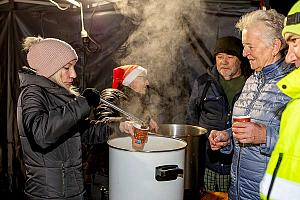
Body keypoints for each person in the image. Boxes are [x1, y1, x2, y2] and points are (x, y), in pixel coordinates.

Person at [16, 36, 134, 200]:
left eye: (74, 67)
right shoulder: (33, 93)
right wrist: (83, 103)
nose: (74, 74)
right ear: (50, 69)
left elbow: (83, 132)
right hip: (49, 195)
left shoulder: (60, 95)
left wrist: (119, 126)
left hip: (73, 191)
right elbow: (41, 134)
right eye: (67, 67)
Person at [208, 9, 295, 200]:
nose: (244, 53)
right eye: (244, 46)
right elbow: (248, 130)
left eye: (250, 46)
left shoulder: (293, 85)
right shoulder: (252, 80)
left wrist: (265, 136)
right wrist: (228, 137)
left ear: (274, 46)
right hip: (238, 192)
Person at [186, 36, 251, 196]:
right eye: (220, 57)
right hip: (207, 162)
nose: (224, 62)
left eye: (230, 57)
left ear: (240, 59)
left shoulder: (251, 85)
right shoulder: (203, 83)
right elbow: (191, 119)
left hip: (236, 165)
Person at [260, 2, 300, 199]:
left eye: (295, 41)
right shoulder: (295, 98)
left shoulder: (288, 88)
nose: (289, 57)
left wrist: (264, 136)